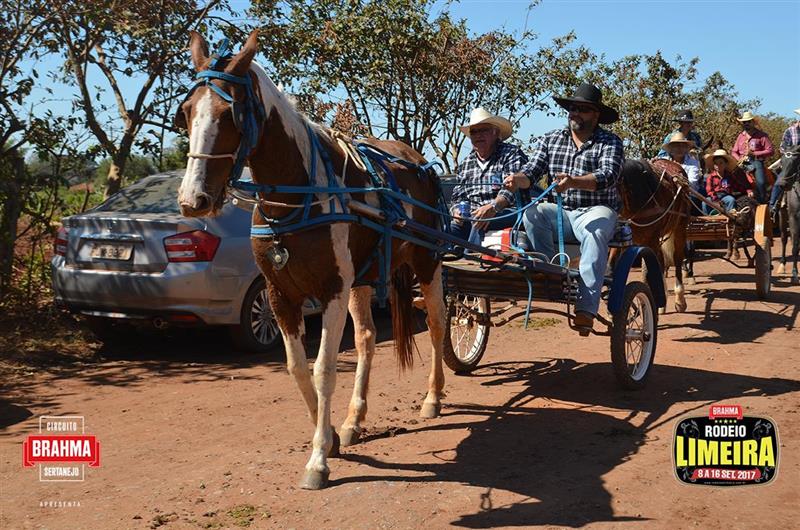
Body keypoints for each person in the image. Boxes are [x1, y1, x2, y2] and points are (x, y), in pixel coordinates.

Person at [503, 82, 624, 334]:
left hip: (597, 209)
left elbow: (608, 175)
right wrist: (517, 180)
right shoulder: (551, 139)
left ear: (596, 115)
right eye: (572, 108)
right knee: (532, 213)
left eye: (583, 109)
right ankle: (553, 274)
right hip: (561, 212)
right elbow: (531, 172)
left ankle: (586, 308)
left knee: (595, 231)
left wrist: (573, 182)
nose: (575, 113)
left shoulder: (610, 142)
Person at [449, 107, 529, 246]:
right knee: (445, 230)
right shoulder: (466, 163)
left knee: (479, 223)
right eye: (474, 132)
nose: (478, 135)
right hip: (473, 217)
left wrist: (492, 207)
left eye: (483, 130)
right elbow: (458, 196)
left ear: (496, 133)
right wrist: (456, 211)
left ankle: (470, 257)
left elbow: (511, 189)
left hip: (509, 213)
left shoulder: (511, 154)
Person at [731, 111, 774, 203]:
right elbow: (734, 152)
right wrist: (739, 159)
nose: (746, 124)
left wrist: (754, 154)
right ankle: (746, 192)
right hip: (743, 162)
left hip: (756, 161)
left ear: (753, 122)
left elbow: (770, 151)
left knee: (761, 182)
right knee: (733, 174)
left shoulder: (762, 135)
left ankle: (762, 201)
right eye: (744, 122)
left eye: (748, 121)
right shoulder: (740, 136)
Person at [768, 107, 800, 216]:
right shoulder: (790, 131)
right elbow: (782, 147)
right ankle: (773, 207)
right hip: (792, 163)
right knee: (780, 181)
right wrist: (792, 153)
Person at [702, 149, 751, 214]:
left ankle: (730, 216)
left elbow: (737, 186)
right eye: (716, 164)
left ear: (725, 164)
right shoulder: (710, 177)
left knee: (731, 200)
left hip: (725, 196)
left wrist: (748, 190)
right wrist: (716, 200)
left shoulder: (729, 176)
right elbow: (709, 191)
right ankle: (707, 218)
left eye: (721, 163)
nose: (718, 166)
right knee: (704, 202)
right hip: (713, 196)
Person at [658, 131, 703, 200]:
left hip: (689, 195)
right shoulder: (663, 161)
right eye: (677, 146)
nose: (680, 148)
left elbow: (692, 182)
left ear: (686, 149)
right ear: (671, 148)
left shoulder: (693, 163)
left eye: (683, 146)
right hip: (667, 194)